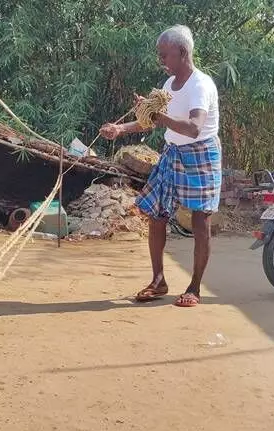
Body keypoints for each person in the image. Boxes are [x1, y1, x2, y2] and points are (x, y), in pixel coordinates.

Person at [99, 25, 221, 307]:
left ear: (181, 52)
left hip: (201, 153)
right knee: (156, 214)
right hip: (173, 153)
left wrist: (159, 116)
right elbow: (149, 120)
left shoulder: (200, 85)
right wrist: (119, 129)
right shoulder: (168, 85)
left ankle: (194, 288)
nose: (161, 61)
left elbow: (193, 128)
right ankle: (158, 281)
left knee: (200, 220)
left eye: (164, 55)